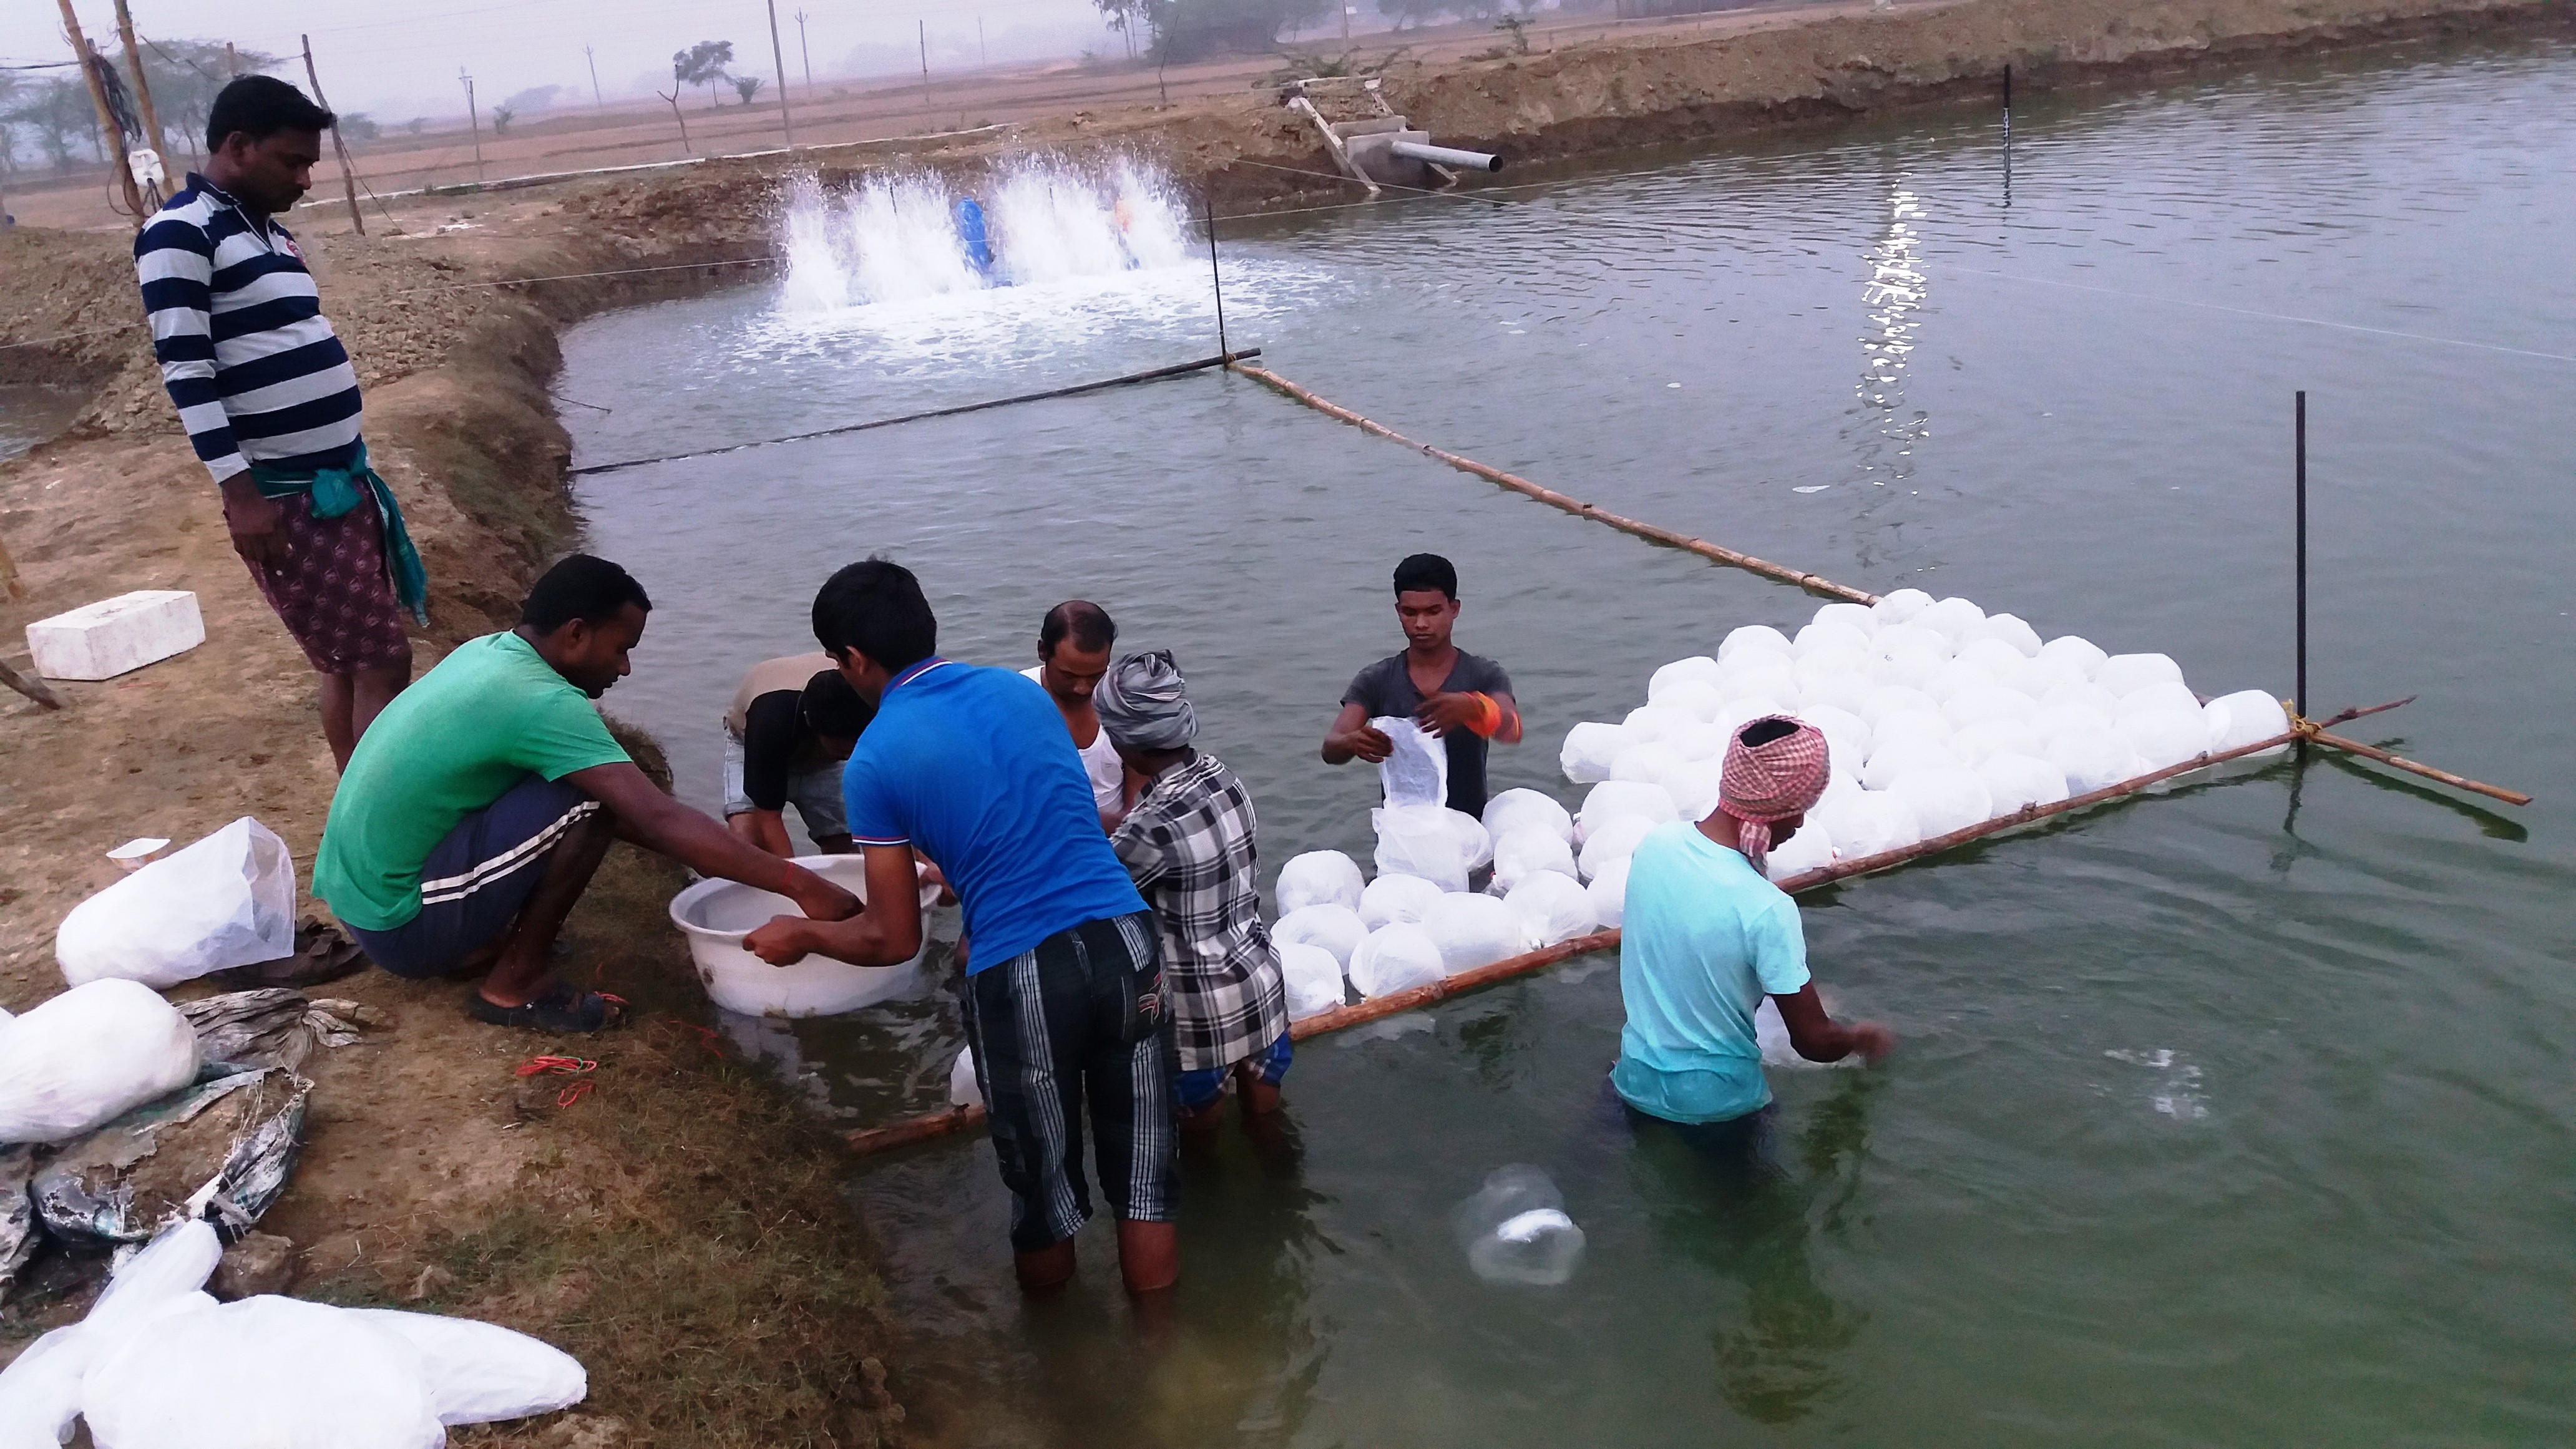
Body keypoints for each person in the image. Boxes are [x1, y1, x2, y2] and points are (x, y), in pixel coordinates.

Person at [743, 560, 1176, 1296]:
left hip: (1027, 969)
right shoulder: (1020, 692)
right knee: (1143, 1180)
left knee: (1045, 1198)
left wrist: (804, 935)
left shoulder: (874, 758)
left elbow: (892, 939)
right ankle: (1164, 1368)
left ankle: (1059, 1379)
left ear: (853, 660)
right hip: (1129, 941)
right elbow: (1033, 817)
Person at [313, 555, 857, 1033]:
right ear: (575, 634)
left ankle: (478, 941)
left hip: (366, 905)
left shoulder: (490, 653)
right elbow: (655, 816)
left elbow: (650, 825)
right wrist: (799, 884)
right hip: (400, 925)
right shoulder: (542, 702)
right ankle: (514, 985)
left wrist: (730, 871)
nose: (624, 667)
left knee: (579, 790)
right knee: (591, 801)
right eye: (621, 649)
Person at [135, 76, 425, 769]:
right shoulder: (180, 232)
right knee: (381, 662)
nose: (304, 178)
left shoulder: (264, 231)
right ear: (238, 146)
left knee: (347, 663)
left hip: (337, 483)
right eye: (291, 162)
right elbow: (187, 370)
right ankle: (381, 817)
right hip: (286, 495)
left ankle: (368, 808)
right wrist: (241, 494)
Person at [1611, 716, 1893, 1139]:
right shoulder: (1768, 908)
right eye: (1796, 810)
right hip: (1719, 1106)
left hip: (1634, 1081)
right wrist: (1859, 1038)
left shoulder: (1655, 847)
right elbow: (1813, 1041)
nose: (1798, 825)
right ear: (1771, 806)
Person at [1095, 650, 1292, 1134]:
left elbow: (1099, 903)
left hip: (1199, 1013)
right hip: (1261, 985)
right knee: (1270, 1132)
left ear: (1125, 741)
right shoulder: (1224, 777)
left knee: (1200, 1155)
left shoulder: (1148, 828)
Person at [1322, 553, 1522, 816]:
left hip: (1468, 832)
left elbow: (1511, 729)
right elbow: (1330, 748)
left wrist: (1475, 708)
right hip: (1403, 836)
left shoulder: (1482, 675)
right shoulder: (1377, 679)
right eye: (1410, 612)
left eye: (1433, 611)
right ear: (1398, 611)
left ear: (1454, 609)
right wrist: (1353, 742)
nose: (1421, 624)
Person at [723, 653, 873, 857]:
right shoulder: (769, 725)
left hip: (822, 747)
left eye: (856, 748)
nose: (851, 757)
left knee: (842, 843)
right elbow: (769, 819)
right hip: (749, 739)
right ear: (813, 727)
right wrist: (794, 883)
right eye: (843, 751)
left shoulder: (869, 698)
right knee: (749, 845)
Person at [1022, 600, 1131, 829]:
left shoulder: (1126, 699)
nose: (1082, 688)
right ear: (1043, 651)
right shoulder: (1013, 699)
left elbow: (1138, 804)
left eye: (1095, 676)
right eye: (1069, 676)